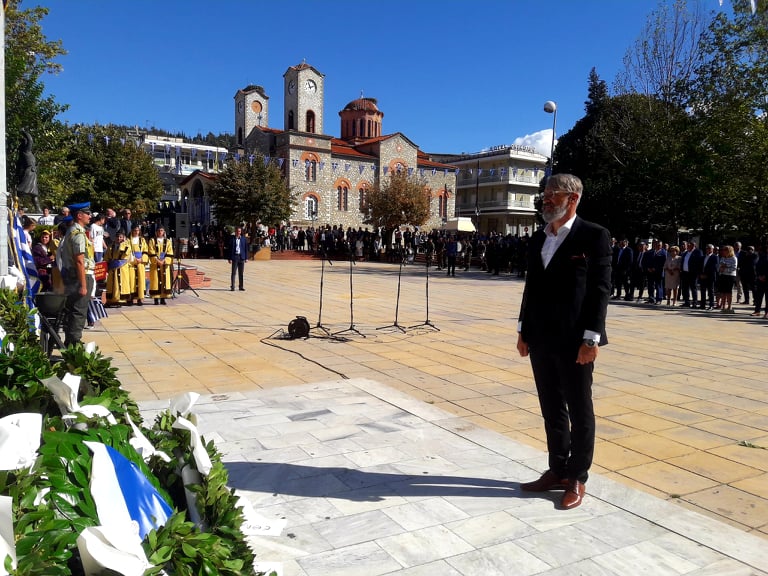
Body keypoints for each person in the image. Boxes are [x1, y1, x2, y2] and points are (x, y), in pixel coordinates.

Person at [516, 174, 611, 510]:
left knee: (579, 409)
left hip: (575, 340)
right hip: (540, 336)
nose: (546, 200)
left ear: (572, 199)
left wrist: (591, 338)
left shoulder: (594, 236)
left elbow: (600, 291)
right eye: (545, 195)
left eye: (552, 195)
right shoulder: (539, 238)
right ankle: (557, 469)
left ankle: (577, 477)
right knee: (551, 408)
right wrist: (523, 330)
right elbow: (532, 288)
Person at [57, 202, 95, 346]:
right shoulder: (78, 234)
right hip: (80, 276)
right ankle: (74, 342)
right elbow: (79, 261)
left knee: (72, 309)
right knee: (79, 310)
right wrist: (83, 285)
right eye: (87, 214)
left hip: (72, 275)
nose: (90, 216)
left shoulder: (71, 231)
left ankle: (70, 341)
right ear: (79, 215)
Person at [105, 231, 133, 307]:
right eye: (117, 237)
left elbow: (125, 255)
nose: (119, 238)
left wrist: (122, 244)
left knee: (121, 283)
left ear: (123, 238)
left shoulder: (127, 246)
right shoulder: (111, 246)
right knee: (112, 284)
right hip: (113, 268)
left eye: (120, 237)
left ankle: (121, 300)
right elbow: (107, 256)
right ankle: (111, 300)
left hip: (122, 267)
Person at [148, 226, 174, 305]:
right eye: (159, 230)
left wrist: (164, 260)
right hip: (156, 264)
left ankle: (163, 298)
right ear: (156, 232)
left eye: (161, 230)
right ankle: (156, 298)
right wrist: (157, 260)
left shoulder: (168, 241)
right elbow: (151, 251)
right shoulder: (152, 241)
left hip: (164, 265)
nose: (160, 232)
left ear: (164, 232)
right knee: (155, 281)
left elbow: (170, 252)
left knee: (164, 281)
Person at [127, 226, 149, 305]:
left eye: (138, 230)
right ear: (132, 231)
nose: (136, 232)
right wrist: (133, 260)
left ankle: (140, 298)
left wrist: (142, 259)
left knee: (140, 280)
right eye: (135, 230)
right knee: (131, 281)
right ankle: (130, 298)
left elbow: (145, 251)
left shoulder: (142, 240)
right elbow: (127, 252)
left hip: (140, 264)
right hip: (132, 264)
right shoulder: (128, 241)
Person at [717, 244, 737, 313]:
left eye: (725, 250)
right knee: (723, 292)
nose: (724, 251)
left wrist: (725, 267)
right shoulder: (723, 258)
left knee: (728, 292)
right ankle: (723, 305)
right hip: (723, 276)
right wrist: (722, 268)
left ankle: (729, 306)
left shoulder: (734, 258)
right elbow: (719, 266)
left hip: (730, 277)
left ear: (730, 251)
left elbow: (734, 268)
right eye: (723, 250)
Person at [228, 226, 248, 291]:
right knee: (233, 273)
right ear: (235, 232)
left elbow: (246, 249)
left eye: (239, 231)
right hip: (235, 257)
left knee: (241, 273)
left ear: (241, 232)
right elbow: (230, 249)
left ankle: (241, 286)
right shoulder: (232, 239)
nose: (238, 232)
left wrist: (246, 258)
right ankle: (232, 286)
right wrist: (229, 258)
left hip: (241, 257)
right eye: (237, 231)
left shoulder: (244, 239)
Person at [699, 244, 718, 310]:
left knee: (710, 291)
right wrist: (701, 274)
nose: (708, 249)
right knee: (703, 291)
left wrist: (706, 274)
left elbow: (714, 267)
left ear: (712, 249)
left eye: (709, 248)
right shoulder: (702, 257)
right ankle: (702, 305)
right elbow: (700, 267)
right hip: (702, 276)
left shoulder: (714, 257)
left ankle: (711, 305)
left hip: (710, 277)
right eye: (707, 248)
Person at [751, 244, 768, 318]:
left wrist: (765, 276)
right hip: (760, 279)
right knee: (759, 296)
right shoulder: (761, 256)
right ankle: (757, 311)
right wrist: (759, 276)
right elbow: (756, 266)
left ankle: (767, 313)